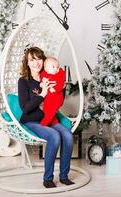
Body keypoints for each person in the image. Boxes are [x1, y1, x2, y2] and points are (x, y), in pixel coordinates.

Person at [18, 46, 74, 188]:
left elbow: (59, 95)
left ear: (43, 61)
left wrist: (56, 89)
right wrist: (42, 94)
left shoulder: (49, 75)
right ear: (27, 62)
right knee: (54, 136)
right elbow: (25, 108)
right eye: (32, 60)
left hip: (50, 118)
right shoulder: (24, 81)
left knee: (68, 135)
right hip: (31, 120)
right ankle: (48, 178)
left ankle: (64, 176)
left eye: (38, 59)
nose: (36, 63)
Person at [39, 57, 65, 126]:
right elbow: (42, 81)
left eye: (57, 67)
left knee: (51, 111)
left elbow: (61, 83)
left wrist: (55, 89)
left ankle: (44, 124)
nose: (56, 69)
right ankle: (54, 121)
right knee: (46, 110)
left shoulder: (59, 74)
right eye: (53, 67)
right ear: (46, 69)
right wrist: (42, 83)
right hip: (48, 98)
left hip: (57, 98)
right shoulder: (44, 74)